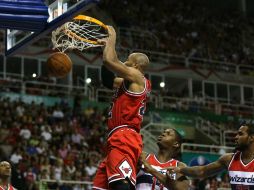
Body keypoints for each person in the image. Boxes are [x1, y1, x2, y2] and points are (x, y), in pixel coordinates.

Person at [92, 26, 151, 190]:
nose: (125, 62)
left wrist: (112, 37)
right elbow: (107, 80)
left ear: (137, 66)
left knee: (121, 185)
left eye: (128, 61)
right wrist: (105, 48)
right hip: (117, 137)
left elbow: (110, 61)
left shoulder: (138, 77)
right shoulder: (128, 82)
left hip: (125, 137)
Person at [168, 122, 254, 190]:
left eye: (240, 134)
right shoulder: (228, 159)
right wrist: (180, 170)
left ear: (251, 138)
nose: (236, 137)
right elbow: (202, 171)